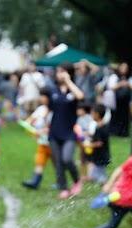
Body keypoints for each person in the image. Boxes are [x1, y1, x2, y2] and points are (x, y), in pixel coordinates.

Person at [49, 63, 85, 199]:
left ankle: (77, 181)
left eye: (62, 71)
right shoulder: (53, 90)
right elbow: (49, 107)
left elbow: (81, 96)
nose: (59, 74)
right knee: (58, 162)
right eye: (58, 72)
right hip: (54, 131)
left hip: (69, 131)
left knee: (67, 158)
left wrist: (68, 81)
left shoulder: (73, 89)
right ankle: (63, 188)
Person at [21, 91, 52, 190]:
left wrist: (43, 130)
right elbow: (30, 120)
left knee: (57, 163)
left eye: (43, 96)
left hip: (53, 142)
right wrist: (30, 126)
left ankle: (62, 183)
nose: (41, 98)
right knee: (40, 161)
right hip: (42, 142)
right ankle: (35, 181)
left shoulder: (55, 109)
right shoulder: (41, 109)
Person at [108, 62, 132, 137]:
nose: (124, 70)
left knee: (125, 118)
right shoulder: (115, 77)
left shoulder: (130, 78)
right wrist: (120, 84)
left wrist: (128, 84)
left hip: (126, 102)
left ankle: (124, 133)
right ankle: (115, 132)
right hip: (116, 101)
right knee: (115, 117)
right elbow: (111, 87)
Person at [88, 104, 111, 185]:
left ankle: (109, 188)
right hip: (99, 156)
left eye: (92, 113)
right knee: (95, 176)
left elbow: (100, 143)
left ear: (97, 114)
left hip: (101, 157)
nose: (91, 115)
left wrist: (89, 145)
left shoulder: (101, 128)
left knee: (101, 178)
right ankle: (106, 187)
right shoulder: (99, 126)